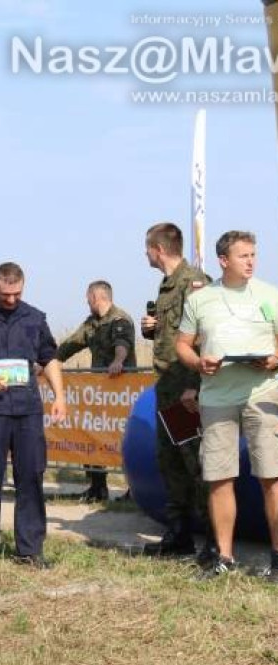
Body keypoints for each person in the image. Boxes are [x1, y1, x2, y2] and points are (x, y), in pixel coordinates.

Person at [174, 231, 278, 579]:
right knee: (219, 478)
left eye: (253, 254)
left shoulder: (269, 294)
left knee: (272, 478)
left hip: (263, 394)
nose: (251, 261)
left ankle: (277, 560)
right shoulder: (200, 300)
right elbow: (183, 345)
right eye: (243, 256)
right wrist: (197, 363)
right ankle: (225, 559)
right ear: (223, 261)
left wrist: (274, 360)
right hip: (217, 397)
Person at [0, 262, 67, 568]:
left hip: (27, 410)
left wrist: (59, 396)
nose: (11, 300)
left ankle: (30, 549)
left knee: (32, 476)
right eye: (5, 294)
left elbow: (48, 357)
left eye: (17, 293)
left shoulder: (35, 318)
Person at [140, 223, 211, 558]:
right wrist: (151, 330)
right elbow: (173, 336)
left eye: (147, 248)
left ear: (159, 249)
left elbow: (205, 336)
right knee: (170, 461)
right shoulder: (167, 286)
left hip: (185, 393)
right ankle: (179, 534)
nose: (146, 254)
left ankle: (214, 540)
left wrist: (193, 386)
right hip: (166, 389)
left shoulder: (193, 281)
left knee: (196, 463)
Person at [55, 280, 137, 502]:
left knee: (124, 440)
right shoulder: (91, 324)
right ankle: (97, 487)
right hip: (98, 392)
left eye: (88, 298)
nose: (87, 302)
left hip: (120, 393)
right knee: (91, 436)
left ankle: (134, 489)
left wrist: (119, 361)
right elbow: (71, 344)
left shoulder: (120, 319)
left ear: (95, 297)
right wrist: (50, 362)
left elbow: (123, 344)